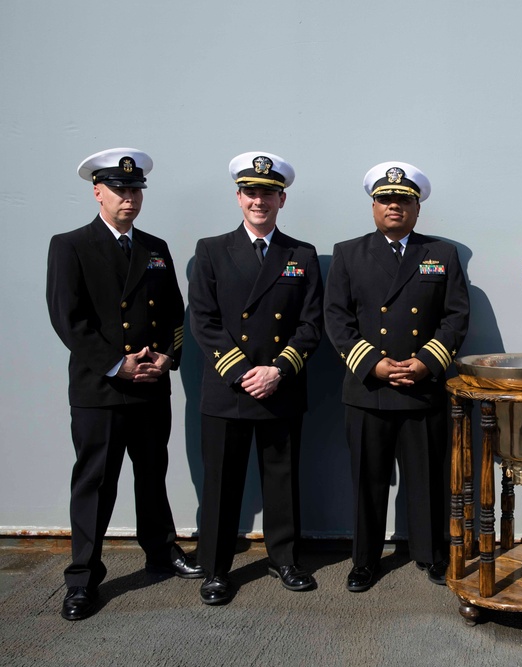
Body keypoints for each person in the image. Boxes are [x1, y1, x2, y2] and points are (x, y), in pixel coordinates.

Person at [46, 147, 204, 621]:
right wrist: (117, 364)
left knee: (151, 473)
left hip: (151, 384)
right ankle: (82, 578)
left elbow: (175, 313)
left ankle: (160, 550)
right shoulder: (70, 245)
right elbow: (67, 319)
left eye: (135, 190)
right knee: (95, 482)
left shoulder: (155, 248)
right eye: (119, 189)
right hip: (101, 388)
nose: (128, 198)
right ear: (97, 192)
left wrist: (166, 357)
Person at [324, 161, 470, 593]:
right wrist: (374, 364)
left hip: (422, 386)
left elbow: (456, 316)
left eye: (404, 200)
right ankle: (365, 560)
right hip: (369, 388)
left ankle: (431, 554)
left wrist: (427, 360)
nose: (394, 206)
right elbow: (336, 318)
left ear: (416, 208)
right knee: (367, 481)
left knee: (427, 479)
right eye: (386, 200)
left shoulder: (441, 254)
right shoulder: (349, 253)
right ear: (373, 206)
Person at [188, 151, 323, 605]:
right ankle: (216, 569)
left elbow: (311, 324)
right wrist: (244, 372)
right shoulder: (210, 250)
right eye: (250, 192)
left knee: (282, 480)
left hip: (279, 386)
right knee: (221, 484)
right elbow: (203, 321)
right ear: (238, 197)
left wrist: (278, 370)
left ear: (282, 199)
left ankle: (284, 559)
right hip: (229, 388)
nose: (258, 201)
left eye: (267, 193)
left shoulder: (300, 254)